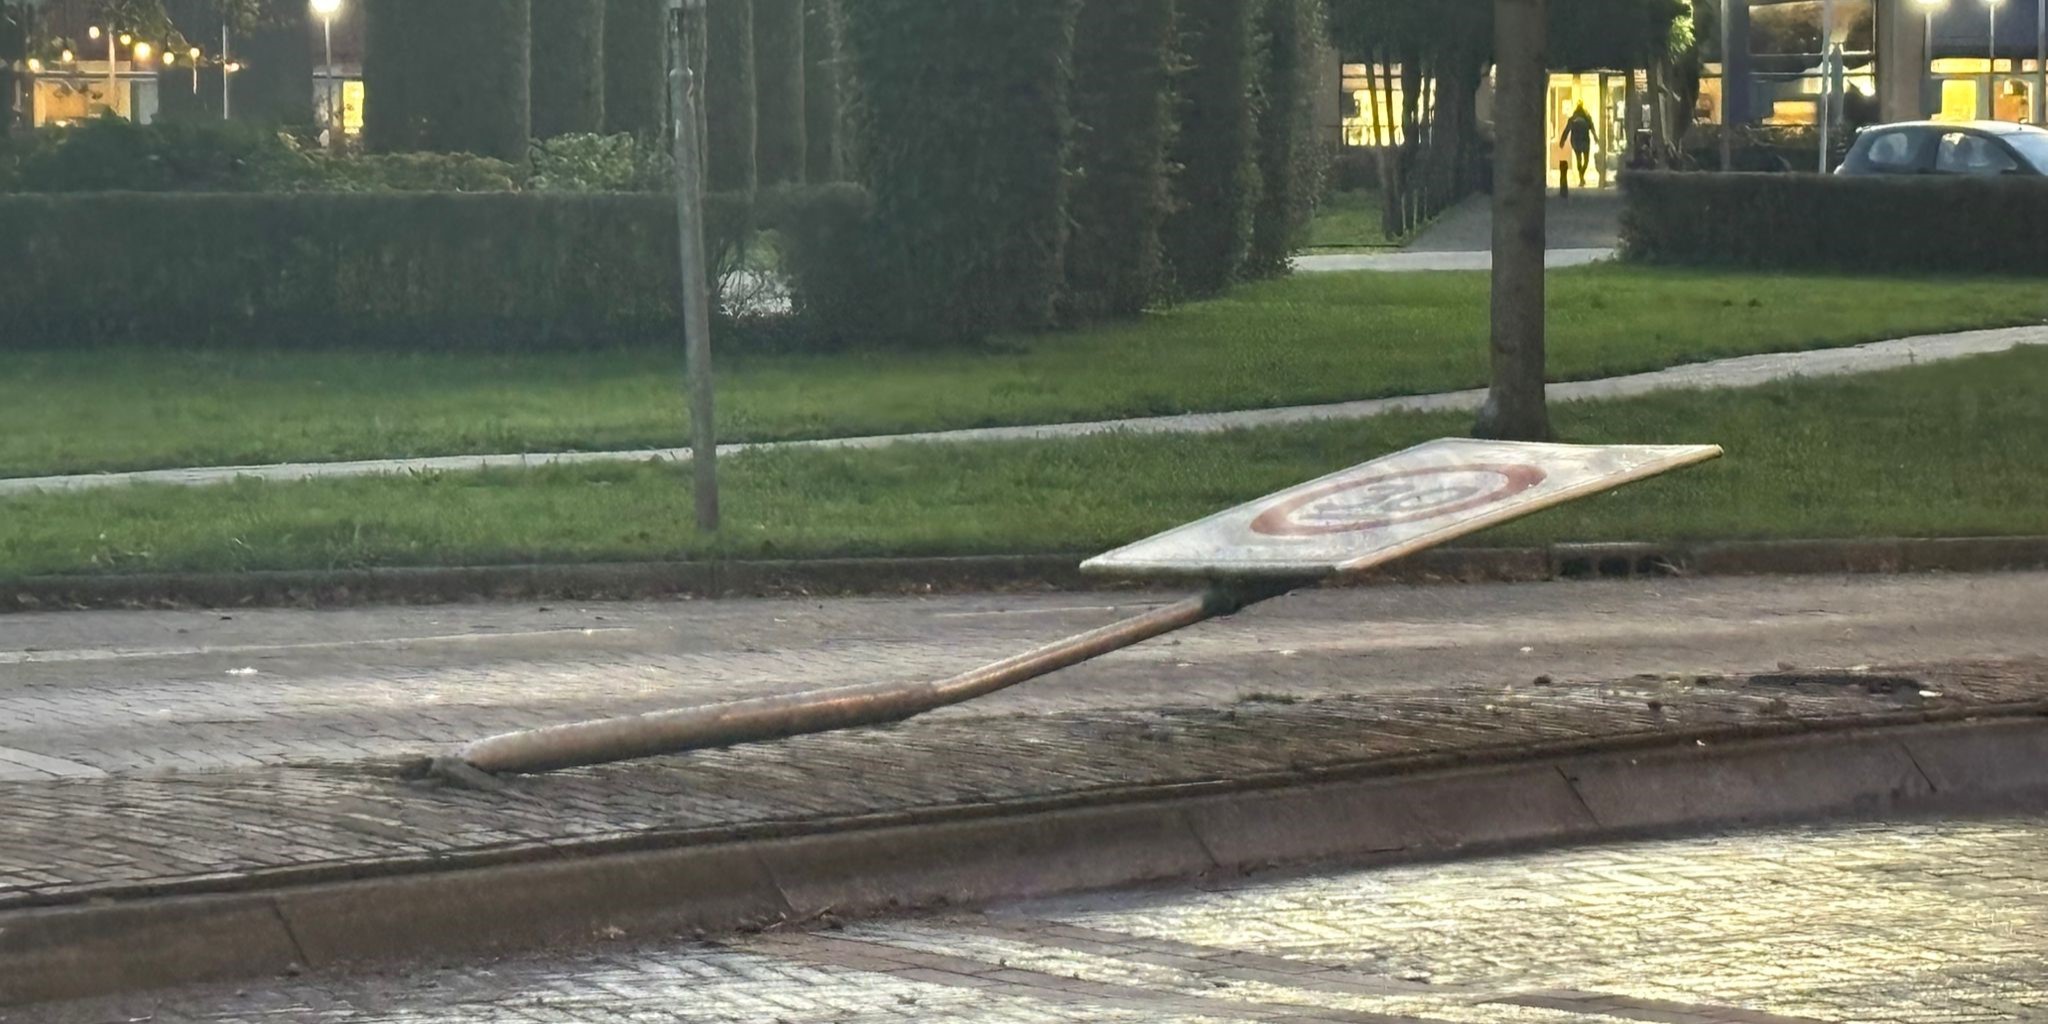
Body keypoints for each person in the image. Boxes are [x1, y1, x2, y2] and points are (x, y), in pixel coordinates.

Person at [1560, 103, 1596, 187]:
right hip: (1585, 141)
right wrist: (1596, 138)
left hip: (1576, 142)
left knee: (1578, 159)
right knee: (1586, 161)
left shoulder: (1572, 119)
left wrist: (1562, 141)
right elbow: (1592, 129)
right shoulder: (1587, 118)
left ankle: (1581, 177)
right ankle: (1582, 176)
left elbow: (1567, 130)